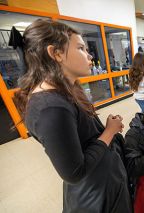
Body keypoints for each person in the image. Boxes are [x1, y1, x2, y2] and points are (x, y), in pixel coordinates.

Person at [13, 19, 132, 213]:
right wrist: (109, 132)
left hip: (106, 180)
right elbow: (74, 172)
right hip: (96, 195)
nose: (89, 54)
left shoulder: (67, 88)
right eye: (81, 48)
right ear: (56, 53)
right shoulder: (49, 108)